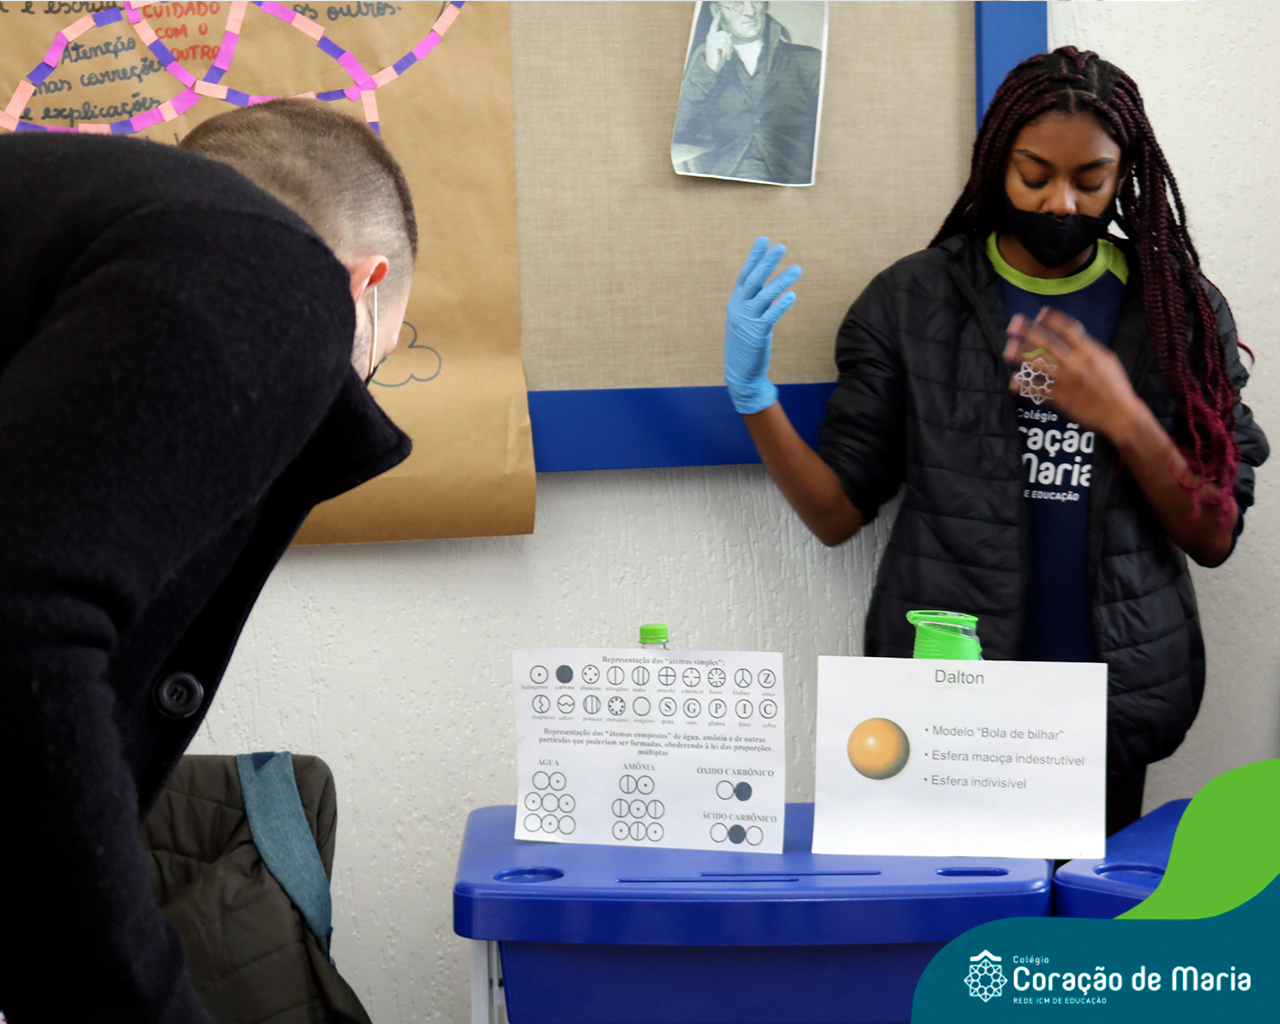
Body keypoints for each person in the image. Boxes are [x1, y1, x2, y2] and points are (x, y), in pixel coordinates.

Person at [722, 47, 1268, 834]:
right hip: (950, 715)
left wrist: (1123, 416)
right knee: (966, 914)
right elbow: (835, 515)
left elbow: (1214, 534)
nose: (1060, 203)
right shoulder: (912, 301)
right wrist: (753, 397)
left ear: (1126, 175)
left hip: (1109, 707)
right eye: (1034, 175)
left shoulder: (1173, 310)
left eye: (1090, 181)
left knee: (1084, 915)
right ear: (995, 164)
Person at [0, 99, 416, 1022]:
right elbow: (21, 629)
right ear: (365, 285)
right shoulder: (272, 273)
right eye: (372, 368)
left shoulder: (75, 251)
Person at [672, 0, 820, 184]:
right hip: (722, 180)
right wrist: (709, 70)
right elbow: (678, 130)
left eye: (756, 1)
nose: (750, 11)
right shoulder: (703, 61)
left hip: (788, 180)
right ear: (716, 11)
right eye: (737, 3)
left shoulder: (808, 61)